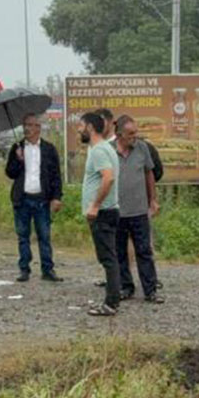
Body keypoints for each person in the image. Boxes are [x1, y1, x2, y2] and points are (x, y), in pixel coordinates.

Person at [5, 113, 64, 283]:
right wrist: (18, 160)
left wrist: (56, 197)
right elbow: (10, 173)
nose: (27, 128)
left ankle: (48, 269)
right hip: (22, 199)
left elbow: (55, 176)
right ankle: (24, 269)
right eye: (25, 125)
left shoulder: (48, 149)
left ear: (38, 128)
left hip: (42, 199)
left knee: (44, 236)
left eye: (31, 125)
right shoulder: (17, 148)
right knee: (23, 236)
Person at [114, 115, 162, 303]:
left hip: (139, 210)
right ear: (119, 134)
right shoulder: (109, 151)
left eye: (136, 132)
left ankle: (150, 290)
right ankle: (126, 287)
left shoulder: (142, 148)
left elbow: (149, 174)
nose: (135, 136)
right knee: (120, 252)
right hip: (117, 211)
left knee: (144, 251)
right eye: (131, 133)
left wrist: (153, 200)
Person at [80, 112, 121, 316]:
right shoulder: (104, 148)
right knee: (109, 257)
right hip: (108, 211)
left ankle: (111, 303)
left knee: (108, 259)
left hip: (103, 212)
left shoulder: (99, 151)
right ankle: (112, 299)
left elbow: (108, 178)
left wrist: (95, 205)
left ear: (89, 127)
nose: (79, 130)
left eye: (81, 126)